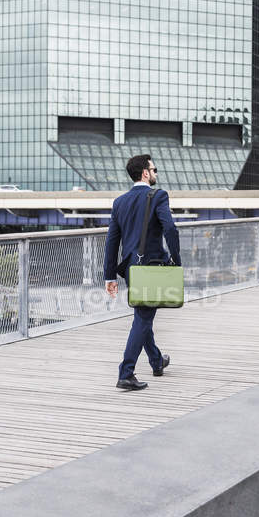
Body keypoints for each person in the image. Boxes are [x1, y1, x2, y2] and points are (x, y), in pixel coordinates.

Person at [103, 154, 181, 391]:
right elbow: (170, 228)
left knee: (142, 313)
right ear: (145, 173)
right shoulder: (159, 196)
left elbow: (112, 241)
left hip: (130, 268)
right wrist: (176, 260)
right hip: (151, 267)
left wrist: (109, 275)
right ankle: (126, 373)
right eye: (154, 169)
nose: (156, 173)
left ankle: (157, 361)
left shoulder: (120, 202)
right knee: (144, 317)